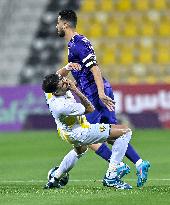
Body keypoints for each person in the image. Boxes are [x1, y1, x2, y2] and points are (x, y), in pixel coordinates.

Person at [55, 9, 150, 187]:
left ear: (65, 24)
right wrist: (67, 68)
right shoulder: (74, 44)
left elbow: (95, 68)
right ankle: (139, 163)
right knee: (112, 134)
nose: (56, 26)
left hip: (93, 94)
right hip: (98, 89)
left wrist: (99, 93)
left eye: (58, 22)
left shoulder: (78, 44)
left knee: (87, 136)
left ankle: (116, 168)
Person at [42, 73, 132, 189]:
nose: (65, 81)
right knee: (125, 131)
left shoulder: (51, 92)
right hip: (80, 132)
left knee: (81, 149)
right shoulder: (61, 106)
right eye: (62, 83)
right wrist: (76, 90)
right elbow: (90, 109)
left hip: (65, 131)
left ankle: (55, 178)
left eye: (62, 79)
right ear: (57, 91)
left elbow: (60, 74)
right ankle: (112, 176)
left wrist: (69, 67)